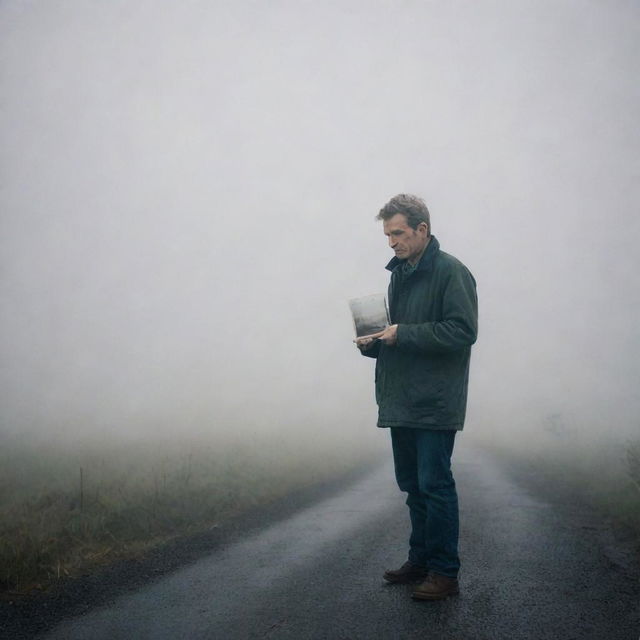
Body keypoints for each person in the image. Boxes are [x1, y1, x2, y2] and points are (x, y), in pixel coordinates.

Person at [356, 194, 477, 601]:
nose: (391, 242)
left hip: (435, 402)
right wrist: (374, 342)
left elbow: (462, 332)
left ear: (422, 229)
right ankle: (421, 561)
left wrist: (402, 333)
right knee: (412, 486)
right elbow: (398, 333)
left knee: (435, 485)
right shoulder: (400, 274)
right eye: (388, 235)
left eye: (398, 233)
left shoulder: (452, 272)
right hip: (402, 398)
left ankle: (444, 572)